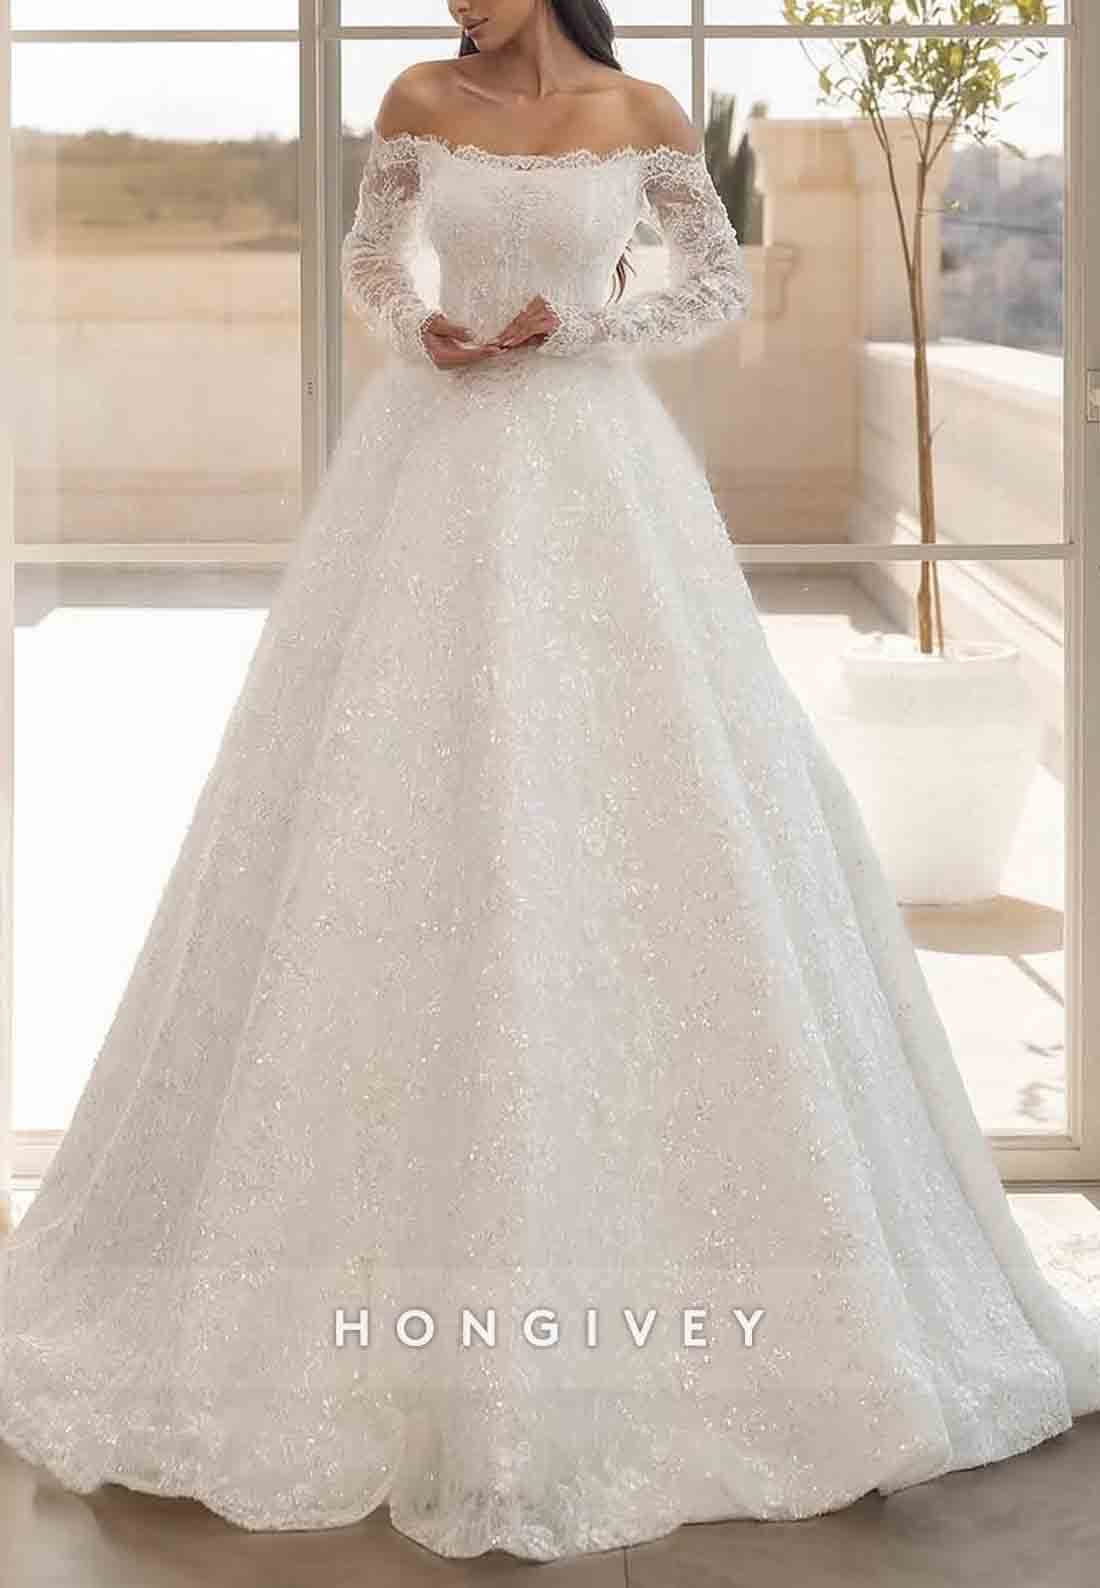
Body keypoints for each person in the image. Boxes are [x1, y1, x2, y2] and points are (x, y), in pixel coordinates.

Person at [1, 0, 1099, 1566]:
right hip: (433, 464)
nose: (457, 3)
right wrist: (424, 327)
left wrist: (574, 332)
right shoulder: (414, 93)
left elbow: (712, 277)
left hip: (592, 462)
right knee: (386, 809)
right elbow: (372, 254)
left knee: (647, 825)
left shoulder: (643, 112)